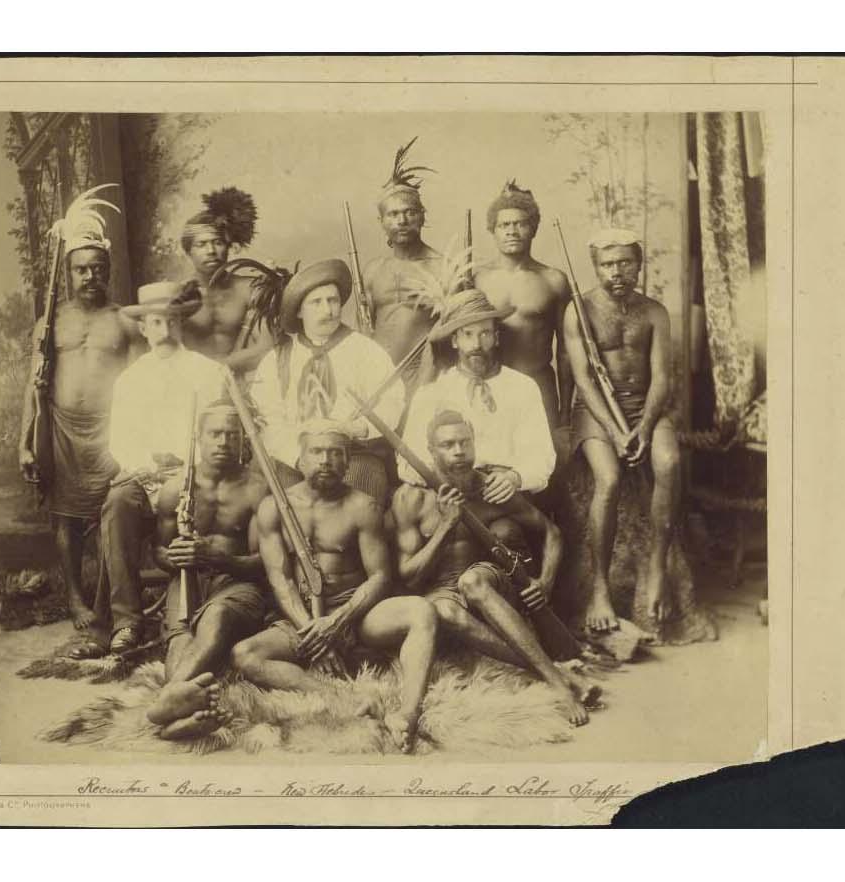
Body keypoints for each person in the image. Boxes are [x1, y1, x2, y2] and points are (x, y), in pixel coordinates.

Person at [230, 422, 439, 754]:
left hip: (356, 614)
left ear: (347, 463)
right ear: (299, 459)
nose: (325, 460)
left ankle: (408, 713)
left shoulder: (363, 507)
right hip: (303, 620)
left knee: (421, 611)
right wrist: (313, 634)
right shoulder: (274, 507)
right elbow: (280, 579)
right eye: (316, 452)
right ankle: (347, 698)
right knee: (245, 655)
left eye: (335, 453)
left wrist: (338, 621)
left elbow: (380, 577)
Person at [390, 410, 597, 726]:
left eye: (464, 442)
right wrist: (446, 526)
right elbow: (408, 577)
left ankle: (556, 685)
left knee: (472, 581)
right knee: (444, 611)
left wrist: (545, 582)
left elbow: (552, 533)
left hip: (487, 582)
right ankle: (557, 675)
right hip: (442, 595)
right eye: (447, 445)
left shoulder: (491, 488)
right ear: (431, 452)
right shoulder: (411, 498)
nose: (459, 451)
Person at [17, 189, 138, 651]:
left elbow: (142, 381)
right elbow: (33, 383)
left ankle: (113, 604)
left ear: (108, 271)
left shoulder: (124, 321)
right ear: (68, 273)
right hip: (62, 429)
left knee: (114, 515)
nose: (90, 276)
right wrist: (24, 442)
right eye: (81, 269)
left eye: (98, 269)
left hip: (111, 430)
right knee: (65, 519)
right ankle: (74, 597)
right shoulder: (51, 322)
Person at [83, 282, 227, 659]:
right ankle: (126, 621)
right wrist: (147, 467)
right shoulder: (130, 380)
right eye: (155, 323)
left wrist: (187, 465)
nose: (164, 331)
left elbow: (221, 432)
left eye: (172, 322)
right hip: (146, 478)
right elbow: (121, 442)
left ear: (182, 324)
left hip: (197, 477)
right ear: (143, 328)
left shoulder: (208, 372)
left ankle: (199, 614)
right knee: (117, 503)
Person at [561, 229, 682, 632]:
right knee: (609, 480)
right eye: (608, 264)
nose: (617, 271)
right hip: (595, 412)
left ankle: (659, 570)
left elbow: (662, 378)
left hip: (644, 406)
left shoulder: (655, 312)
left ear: (638, 263)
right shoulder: (577, 311)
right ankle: (600, 588)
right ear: (595, 267)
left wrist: (645, 428)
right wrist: (614, 432)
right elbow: (583, 379)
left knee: (668, 462)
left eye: (625, 262)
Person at [144, 403, 270, 740]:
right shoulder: (176, 488)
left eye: (232, 434)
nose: (224, 441)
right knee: (179, 647)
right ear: (199, 437)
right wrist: (177, 558)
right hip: (187, 582)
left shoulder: (257, 489)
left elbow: (265, 563)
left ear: (243, 439)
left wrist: (216, 557)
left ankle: (164, 699)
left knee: (214, 619)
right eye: (215, 433)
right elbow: (158, 551)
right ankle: (180, 719)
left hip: (238, 584)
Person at [249, 259, 404, 504]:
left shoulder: (366, 350)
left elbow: (392, 402)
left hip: (354, 456)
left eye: (332, 301)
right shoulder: (277, 359)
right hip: (295, 459)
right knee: (286, 509)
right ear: (299, 311)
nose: (327, 310)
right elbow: (268, 420)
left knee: (357, 506)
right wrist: (298, 458)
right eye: (316, 302)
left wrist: (356, 429)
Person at [397, 289, 556, 504]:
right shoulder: (433, 392)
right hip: (449, 495)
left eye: (485, 334)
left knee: (506, 532)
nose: (476, 345)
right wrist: (444, 478)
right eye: (467, 334)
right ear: (454, 341)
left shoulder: (522, 387)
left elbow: (541, 456)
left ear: (496, 337)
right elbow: (408, 462)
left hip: (503, 496)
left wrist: (515, 478)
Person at [471, 180, 575, 430]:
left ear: (534, 228)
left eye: (521, 224)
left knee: (546, 463)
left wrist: (565, 410)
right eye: (504, 225)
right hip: (491, 386)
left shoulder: (554, 280)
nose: (512, 231)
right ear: (493, 230)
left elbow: (566, 350)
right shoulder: (477, 280)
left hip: (539, 385)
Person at [358, 138, 445, 400]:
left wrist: (426, 381)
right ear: (381, 221)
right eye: (393, 215)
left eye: (409, 212)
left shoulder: (443, 267)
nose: (402, 221)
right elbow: (365, 328)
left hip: (427, 379)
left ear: (422, 216)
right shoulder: (373, 270)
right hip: (379, 380)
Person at [178, 187, 275, 373]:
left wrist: (220, 368)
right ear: (188, 251)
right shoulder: (178, 295)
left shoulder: (250, 288)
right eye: (201, 244)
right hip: (194, 384)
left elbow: (266, 346)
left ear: (229, 246)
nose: (211, 251)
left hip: (246, 380)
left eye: (218, 242)